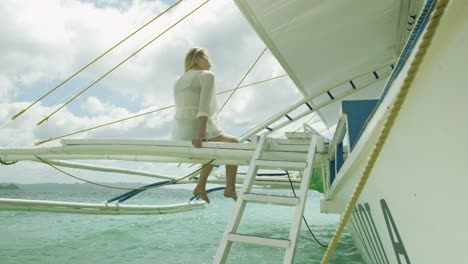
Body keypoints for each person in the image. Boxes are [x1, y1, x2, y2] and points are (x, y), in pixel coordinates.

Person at [172, 47, 239, 203]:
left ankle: (201, 186)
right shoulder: (207, 76)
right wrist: (201, 135)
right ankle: (230, 189)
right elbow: (203, 108)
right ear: (197, 58)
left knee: (216, 146)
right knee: (234, 143)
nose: (211, 62)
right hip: (197, 130)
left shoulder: (178, 80)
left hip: (180, 132)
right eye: (208, 57)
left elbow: (183, 108)